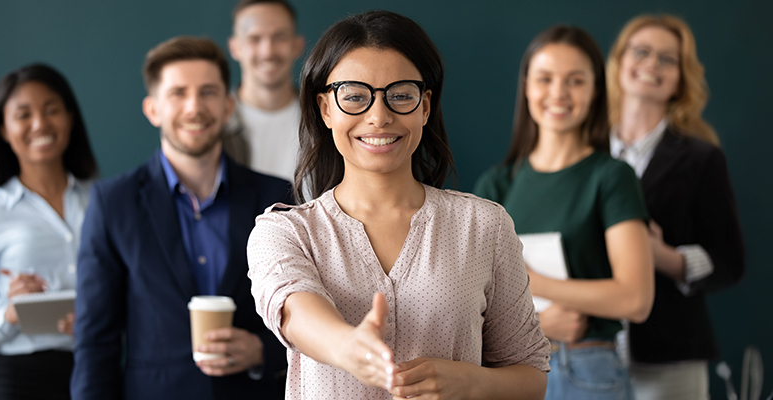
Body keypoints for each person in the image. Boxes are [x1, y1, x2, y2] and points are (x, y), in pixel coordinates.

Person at [247, 10, 551, 400]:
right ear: (325, 108)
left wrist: (473, 382)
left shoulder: (484, 226)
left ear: (425, 106)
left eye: (401, 95)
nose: (379, 116)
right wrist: (348, 348)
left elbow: (531, 376)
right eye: (354, 96)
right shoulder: (285, 232)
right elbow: (293, 309)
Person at [70, 36, 291, 400]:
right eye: (177, 93)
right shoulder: (113, 203)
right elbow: (96, 341)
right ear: (152, 108)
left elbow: (305, 317)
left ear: (227, 106)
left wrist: (262, 353)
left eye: (208, 92)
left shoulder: (277, 197)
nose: (194, 107)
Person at [474, 26, 654, 400]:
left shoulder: (611, 177)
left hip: (587, 370)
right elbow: (471, 304)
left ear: (595, 92)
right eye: (545, 79)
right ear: (526, 87)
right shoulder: (496, 186)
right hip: (509, 373)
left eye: (575, 81)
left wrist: (532, 281)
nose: (558, 93)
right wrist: (539, 324)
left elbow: (635, 299)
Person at [606, 14, 745, 400]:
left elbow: (730, 262)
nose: (652, 64)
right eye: (642, 52)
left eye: (668, 59)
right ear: (619, 62)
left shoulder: (702, 159)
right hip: (589, 353)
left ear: (681, 78)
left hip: (670, 358)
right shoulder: (584, 151)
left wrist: (663, 256)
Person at [0, 64, 99, 400]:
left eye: (52, 110)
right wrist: (8, 316)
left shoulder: (103, 202)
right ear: (2, 128)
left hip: (96, 371)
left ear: (70, 117)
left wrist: (100, 318)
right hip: (17, 380)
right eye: (23, 114)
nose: (40, 124)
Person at [223, 0, 305, 182]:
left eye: (280, 37)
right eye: (254, 39)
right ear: (235, 47)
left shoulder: (324, 120)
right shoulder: (215, 124)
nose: (267, 51)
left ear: (297, 45)